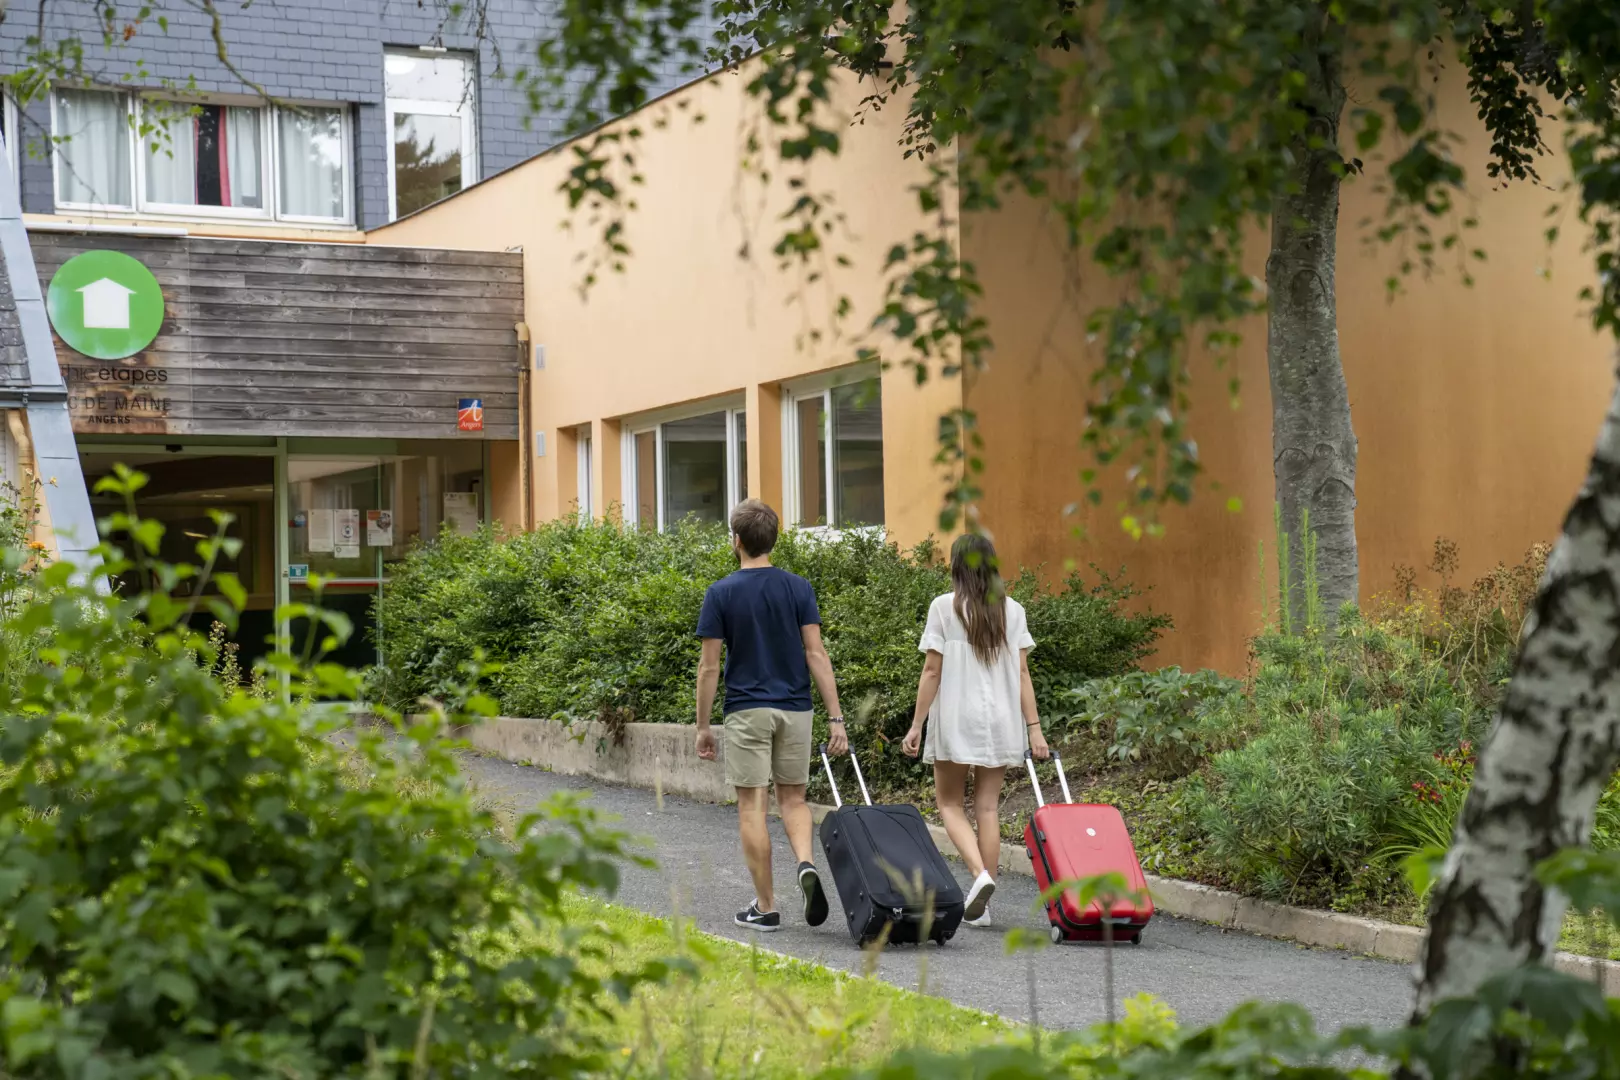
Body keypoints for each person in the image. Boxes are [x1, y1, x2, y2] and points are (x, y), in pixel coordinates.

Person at [695, 499, 849, 932]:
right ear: (773, 541)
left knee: (752, 807)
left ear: (736, 541)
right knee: (794, 799)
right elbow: (816, 654)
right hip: (796, 709)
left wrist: (703, 726)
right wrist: (835, 718)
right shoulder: (798, 588)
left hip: (747, 710)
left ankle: (766, 907)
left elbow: (709, 667)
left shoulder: (721, 592)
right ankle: (805, 863)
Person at [901, 532, 1049, 927]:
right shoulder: (1013, 611)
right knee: (987, 807)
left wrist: (916, 724)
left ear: (955, 567)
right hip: (1000, 720)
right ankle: (985, 904)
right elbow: (1022, 674)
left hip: (956, 717)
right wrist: (1034, 729)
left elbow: (932, 671)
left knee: (950, 804)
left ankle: (979, 876)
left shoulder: (944, 607)